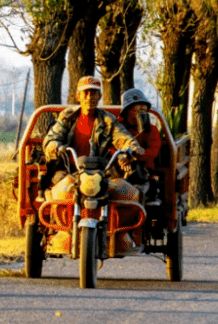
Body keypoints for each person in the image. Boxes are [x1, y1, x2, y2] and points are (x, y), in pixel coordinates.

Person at [42, 75, 143, 251]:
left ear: (99, 96)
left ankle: (120, 234)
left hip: (102, 173)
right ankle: (63, 230)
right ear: (78, 96)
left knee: (128, 193)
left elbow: (123, 137)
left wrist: (130, 147)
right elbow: (53, 137)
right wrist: (54, 146)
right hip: (70, 170)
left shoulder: (107, 119)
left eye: (94, 93)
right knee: (58, 193)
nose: (90, 97)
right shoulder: (67, 117)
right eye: (86, 93)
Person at [117, 88, 164, 206]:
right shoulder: (117, 128)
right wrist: (122, 159)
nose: (142, 109)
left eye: (144, 106)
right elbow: (110, 146)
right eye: (138, 106)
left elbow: (153, 151)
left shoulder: (151, 130)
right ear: (127, 109)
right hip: (117, 169)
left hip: (143, 171)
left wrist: (138, 154)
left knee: (144, 188)